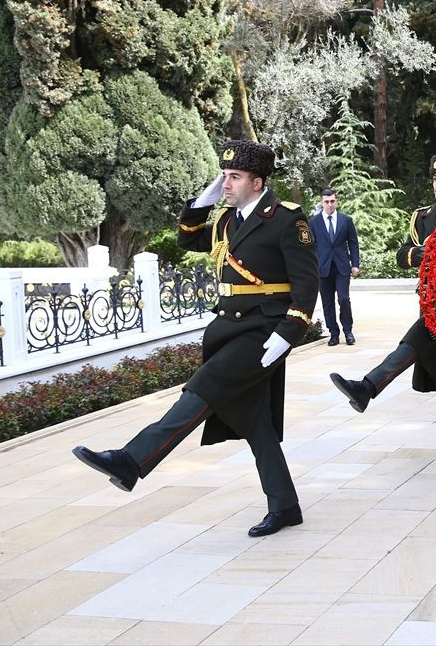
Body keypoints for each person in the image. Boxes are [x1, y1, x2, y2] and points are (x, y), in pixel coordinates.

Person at [73, 140, 319, 537]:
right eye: (224, 176)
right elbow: (188, 239)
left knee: (200, 391)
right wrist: (201, 202)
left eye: (234, 177)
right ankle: (285, 506)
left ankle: (131, 460)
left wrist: (289, 333)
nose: (226, 183)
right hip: (226, 329)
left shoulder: (287, 219)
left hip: (261, 332)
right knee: (256, 424)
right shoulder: (226, 221)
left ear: (257, 182)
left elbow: (308, 283)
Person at [329, 153, 436, 463]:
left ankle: (367, 386)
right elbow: (403, 255)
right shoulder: (422, 217)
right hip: (431, 299)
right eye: (435, 177)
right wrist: (426, 253)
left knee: (412, 342)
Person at [311, 189, 360, 346]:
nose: (330, 204)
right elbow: (310, 247)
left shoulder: (346, 220)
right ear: (322, 202)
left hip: (342, 267)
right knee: (327, 302)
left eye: (332, 201)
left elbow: (353, 243)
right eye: (326, 201)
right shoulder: (313, 222)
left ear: (336, 201)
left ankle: (348, 331)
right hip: (323, 268)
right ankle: (333, 333)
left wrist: (356, 264)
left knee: (343, 299)